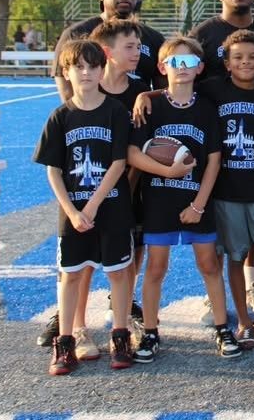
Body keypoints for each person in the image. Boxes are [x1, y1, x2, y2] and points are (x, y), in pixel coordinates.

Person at [126, 36, 240, 362]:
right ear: (163, 67)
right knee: (156, 267)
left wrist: (199, 204)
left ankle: (221, 326)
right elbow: (133, 153)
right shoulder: (150, 106)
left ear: (200, 67)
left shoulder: (206, 109)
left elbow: (215, 160)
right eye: (175, 62)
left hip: (196, 199)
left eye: (190, 62)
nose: (183, 68)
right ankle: (150, 331)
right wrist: (168, 173)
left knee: (208, 264)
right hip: (159, 199)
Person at [33, 40, 136, 375]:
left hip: (111, 208)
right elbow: (54, 170)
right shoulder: (60, 117)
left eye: (93, 66)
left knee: (119, 272)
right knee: (72, 274)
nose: (87, 72)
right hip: (73, 213)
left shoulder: (115, 112)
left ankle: (119, 336)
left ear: (101, 69)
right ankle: (64, 342)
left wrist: (91, 206)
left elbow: (119, 163)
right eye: (79, 66)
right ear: (66, 71)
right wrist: (74, 210)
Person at [197, 30, 254, 349]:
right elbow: (173, 92)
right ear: (226, 62)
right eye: (238, 57)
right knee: (234, 257)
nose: (245, 62)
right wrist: (145, 96)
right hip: (227, 192)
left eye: (252, 57)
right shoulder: (212, 90)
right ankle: (245, 321)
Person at [89, 19, 147, 340]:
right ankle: (71, 319)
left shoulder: (140, 92)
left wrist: (129, 185)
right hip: (90, 185)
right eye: (130, 47)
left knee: (134, 245)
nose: (137, 53)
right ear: (106, 52)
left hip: (130, 186)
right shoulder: (89, 90)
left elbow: (140, 148)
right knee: (82, 253)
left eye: (138, 47)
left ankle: (124, 301)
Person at [52, 0, 166, 103]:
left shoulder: (154, 38)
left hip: (138, 120)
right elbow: (66, 89)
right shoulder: (76, 34)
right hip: (95, 120)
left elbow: (164, 88)